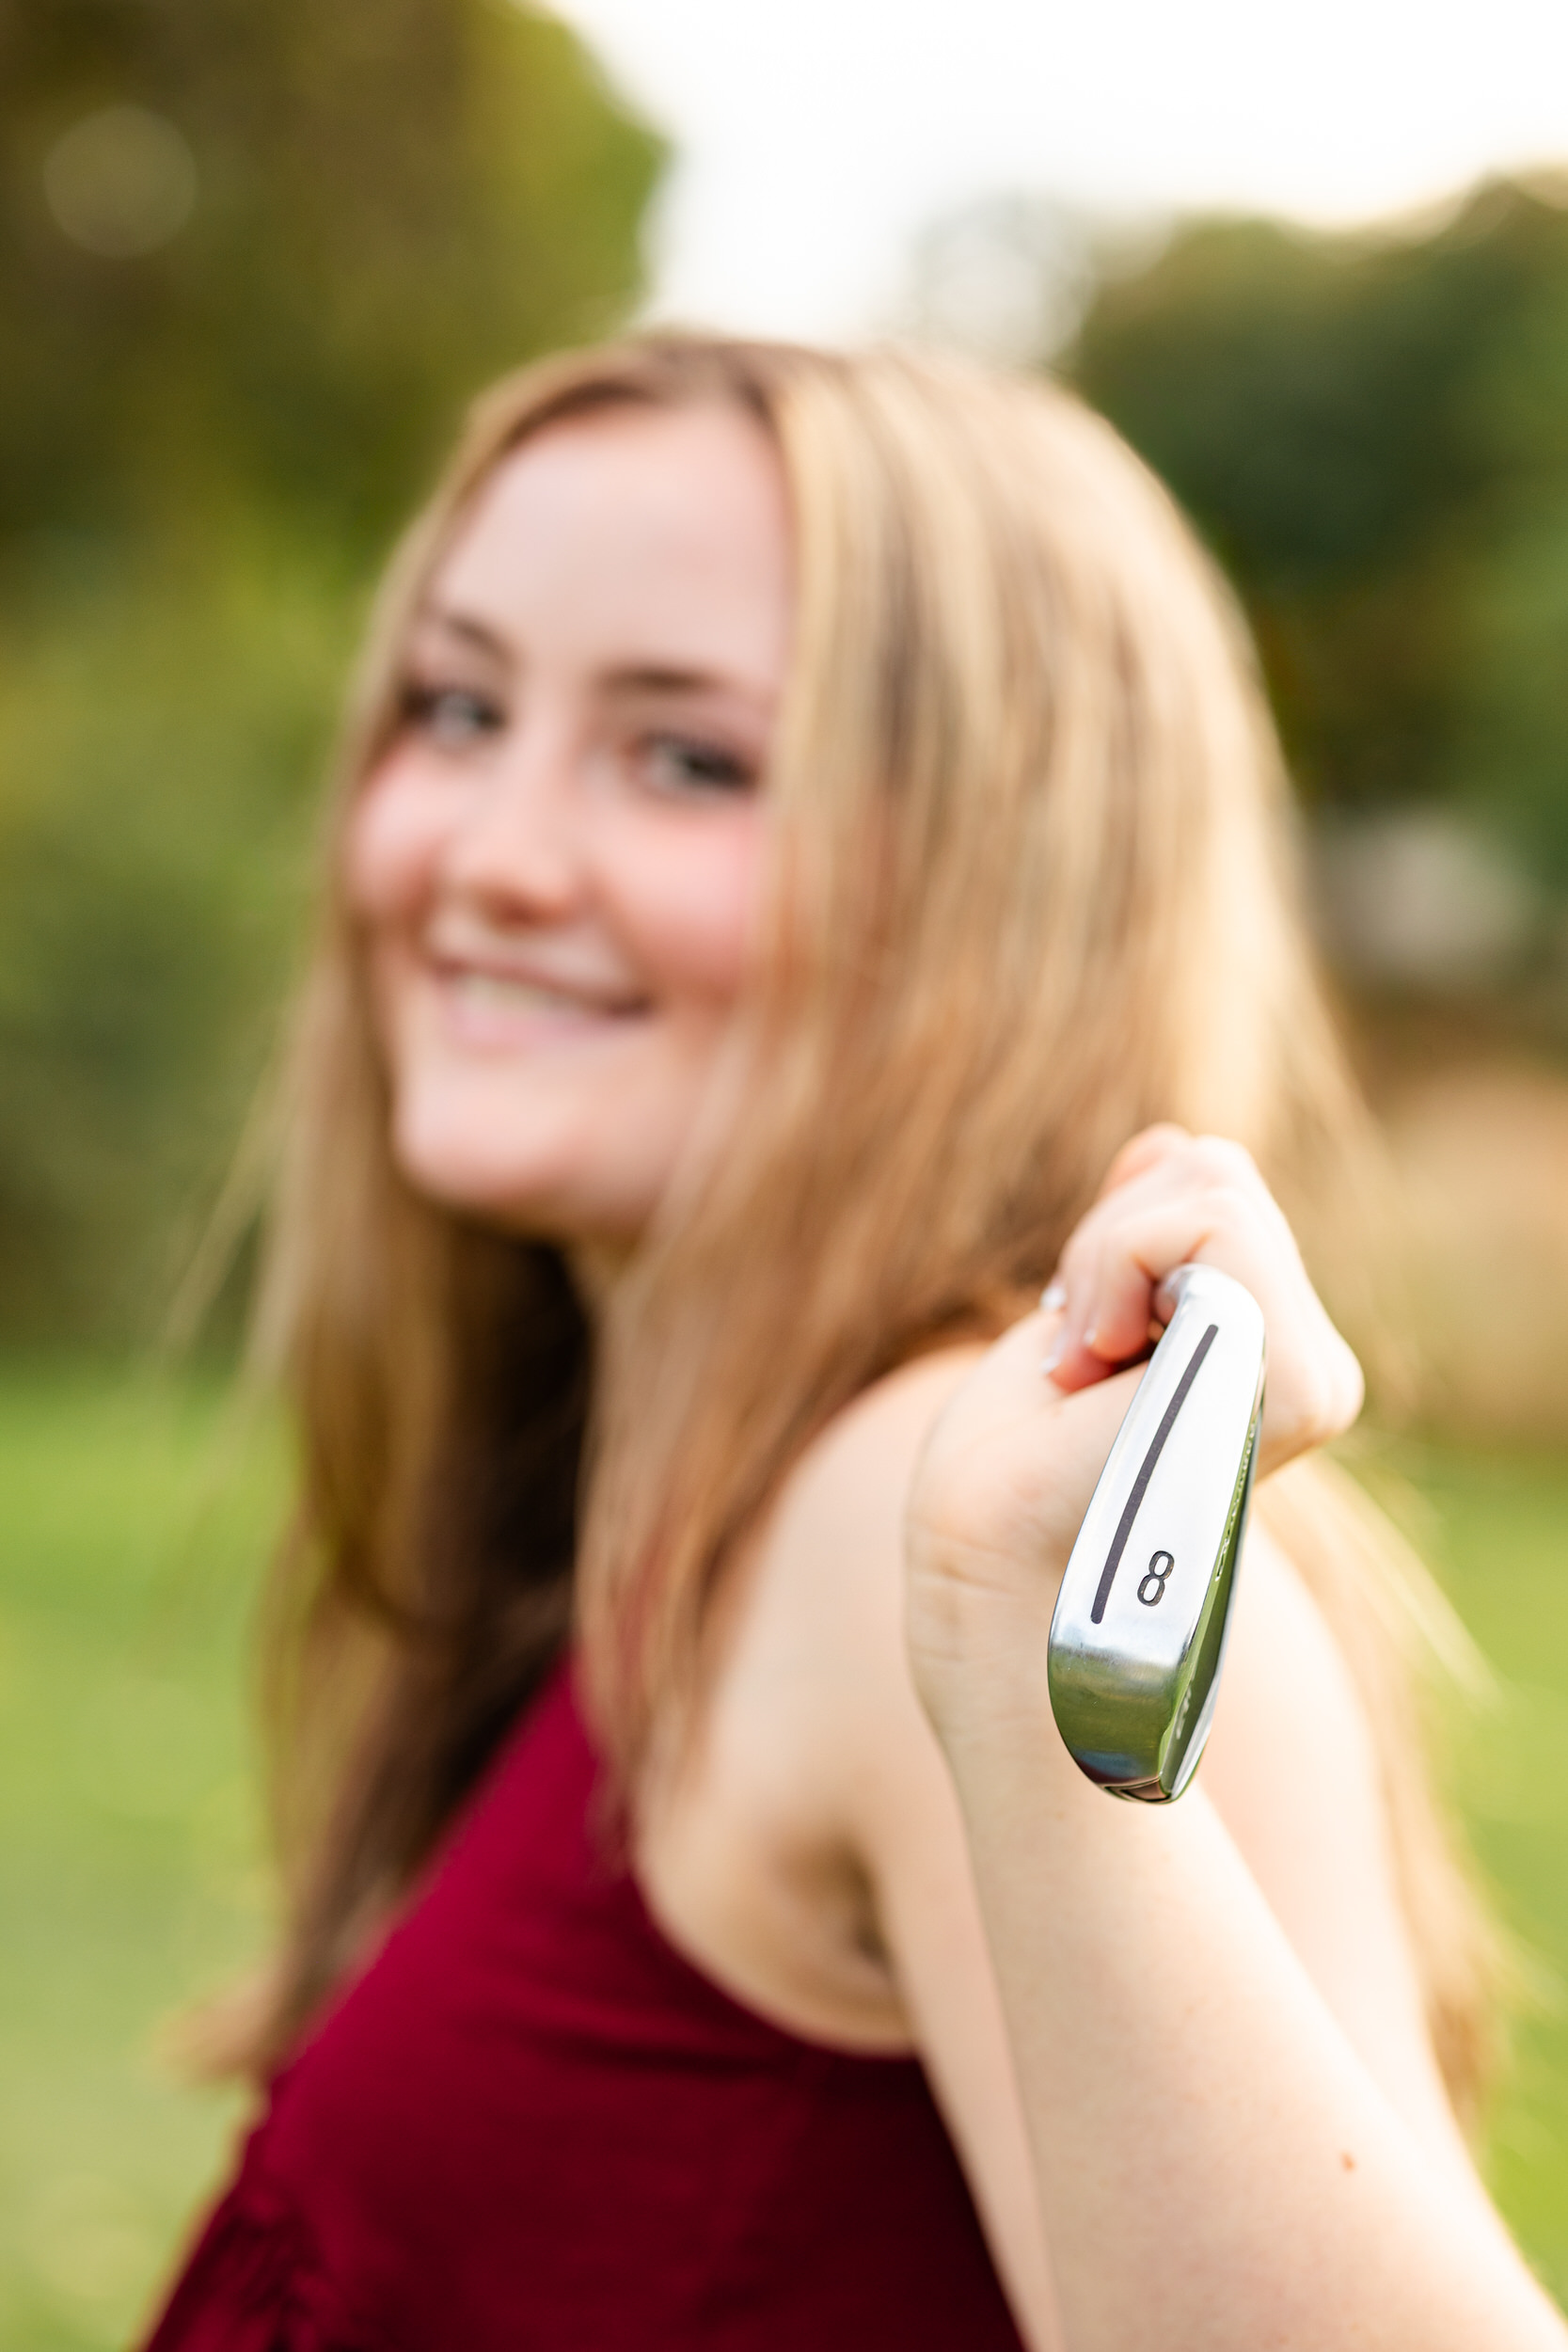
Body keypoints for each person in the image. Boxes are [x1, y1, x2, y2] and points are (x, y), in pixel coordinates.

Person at [142, 335, 1563, 2349]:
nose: (488, 854)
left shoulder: (941, 1520)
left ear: (1002, 887)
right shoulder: (666, 1507)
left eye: (690, 757)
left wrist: (1020, 1652)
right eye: (458, 707)